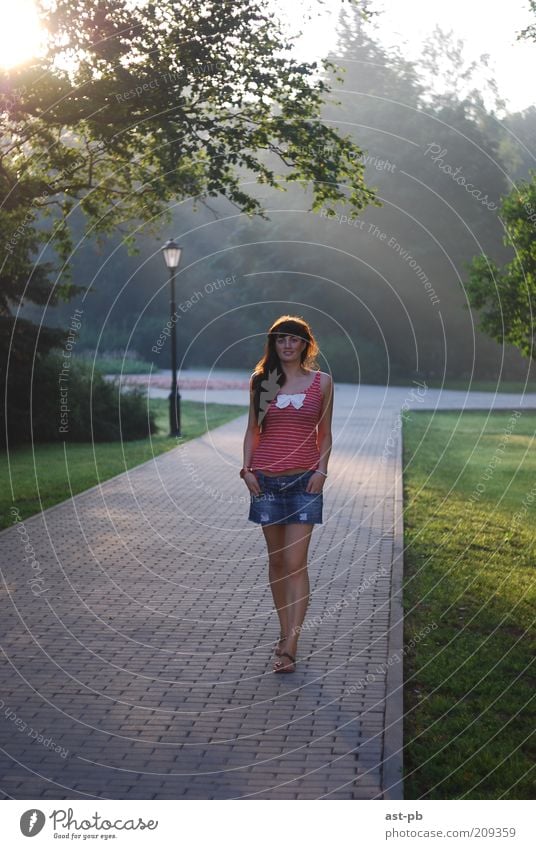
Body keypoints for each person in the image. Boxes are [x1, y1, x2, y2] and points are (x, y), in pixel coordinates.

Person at [240, 315, 334, 673]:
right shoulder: (261, 382)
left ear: (305, 344)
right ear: (273, 345)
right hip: (265, 483)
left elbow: (325, 433)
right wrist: (247, 469)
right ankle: (284, 630)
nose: (287, 345)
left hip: (304, 484)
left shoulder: (322, 383)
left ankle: (290, 645)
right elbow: (253, 431)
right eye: (281, 340)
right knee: (277, 563)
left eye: (294, 340)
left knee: (296, 564)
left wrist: (321, 471)